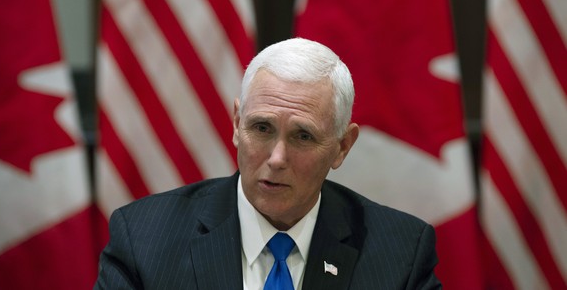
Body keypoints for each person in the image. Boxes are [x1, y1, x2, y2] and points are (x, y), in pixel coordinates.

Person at [95, 37, 441, 289]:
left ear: (342, 147)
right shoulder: (144, 239)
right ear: (236, 124)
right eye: (261, 128)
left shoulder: (400, 255)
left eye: (302, 136)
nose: (276, 159)